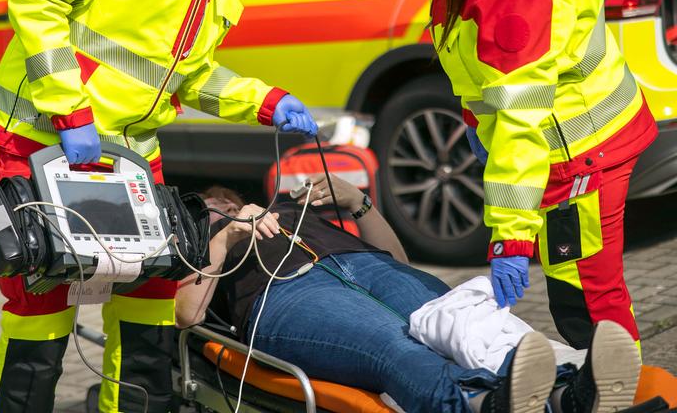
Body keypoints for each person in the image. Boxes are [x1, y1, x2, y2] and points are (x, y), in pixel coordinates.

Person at [0, 0, 319, 411]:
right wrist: (71, 112)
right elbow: (38, 5)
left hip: (132, 157)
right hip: (41, 144)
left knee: (154, 301)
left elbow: (184, 76)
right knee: (41, 310)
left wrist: (266, 102)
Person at [365, 0, 658, 351]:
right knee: (582, 292)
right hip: (571, 139)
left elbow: (522, 117)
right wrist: (481, 128)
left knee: (587, 300)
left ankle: (630, 396)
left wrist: (510, 236)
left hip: (575, 148)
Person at [175, 174, 643, 413]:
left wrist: (359, 202)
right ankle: (478, 404)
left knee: (461, 317)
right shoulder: (207, 247)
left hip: (369, 266)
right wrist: (226, 235)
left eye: (224, 205)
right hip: (284, 297)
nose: (220, 211)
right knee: (389, 344)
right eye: (210, 212)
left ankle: (567, 392)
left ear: (237, 198)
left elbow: (395, 256)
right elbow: (188, 317)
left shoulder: (290, 206)